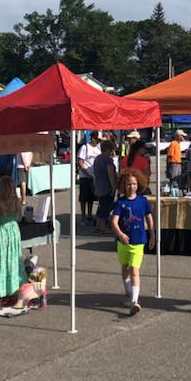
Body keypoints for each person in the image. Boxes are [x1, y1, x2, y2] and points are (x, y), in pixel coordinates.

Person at [110, 169, 155, 316]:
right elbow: (114, 222)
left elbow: (149, 218)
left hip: (138, 242)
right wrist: (120, 234)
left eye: (134, 184)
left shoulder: (143, 200)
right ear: (124, 185)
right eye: (129, 184)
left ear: (139, 184)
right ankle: (129, 294)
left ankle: (135, 301)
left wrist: (152, 235)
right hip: (123, 243)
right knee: (125, 268)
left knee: (134, 270)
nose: (132, 187)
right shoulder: (120, 202)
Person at [0, 176, 25, 306]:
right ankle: (14, 291)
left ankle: (2, 294)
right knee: (15, 261)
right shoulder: (17, 201)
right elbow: (19, 218)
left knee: (2, 263)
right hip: (14, 230)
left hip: (2, 233)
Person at [93, 141, 118, 234]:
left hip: (98, 185)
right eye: (111, 149)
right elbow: (110, 174)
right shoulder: (107, 160)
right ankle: (103, 227)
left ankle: (97, 226)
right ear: (108, 149)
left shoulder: (97, 158)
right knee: (106, 207)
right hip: (106, 186)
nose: (112, 151)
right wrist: (114, 187)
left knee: (101, 206)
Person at [77, 133, 101, 226]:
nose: (97, 141)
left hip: (95, 177)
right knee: (83, 198)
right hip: (85, 177)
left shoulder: (98, 149)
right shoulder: (85, 147)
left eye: (98, 140)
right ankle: (83, 216)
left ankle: (89, 215)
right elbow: (80, 162)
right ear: (92, 138)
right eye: (96, 139)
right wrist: (87, 173)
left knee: (91, 198)